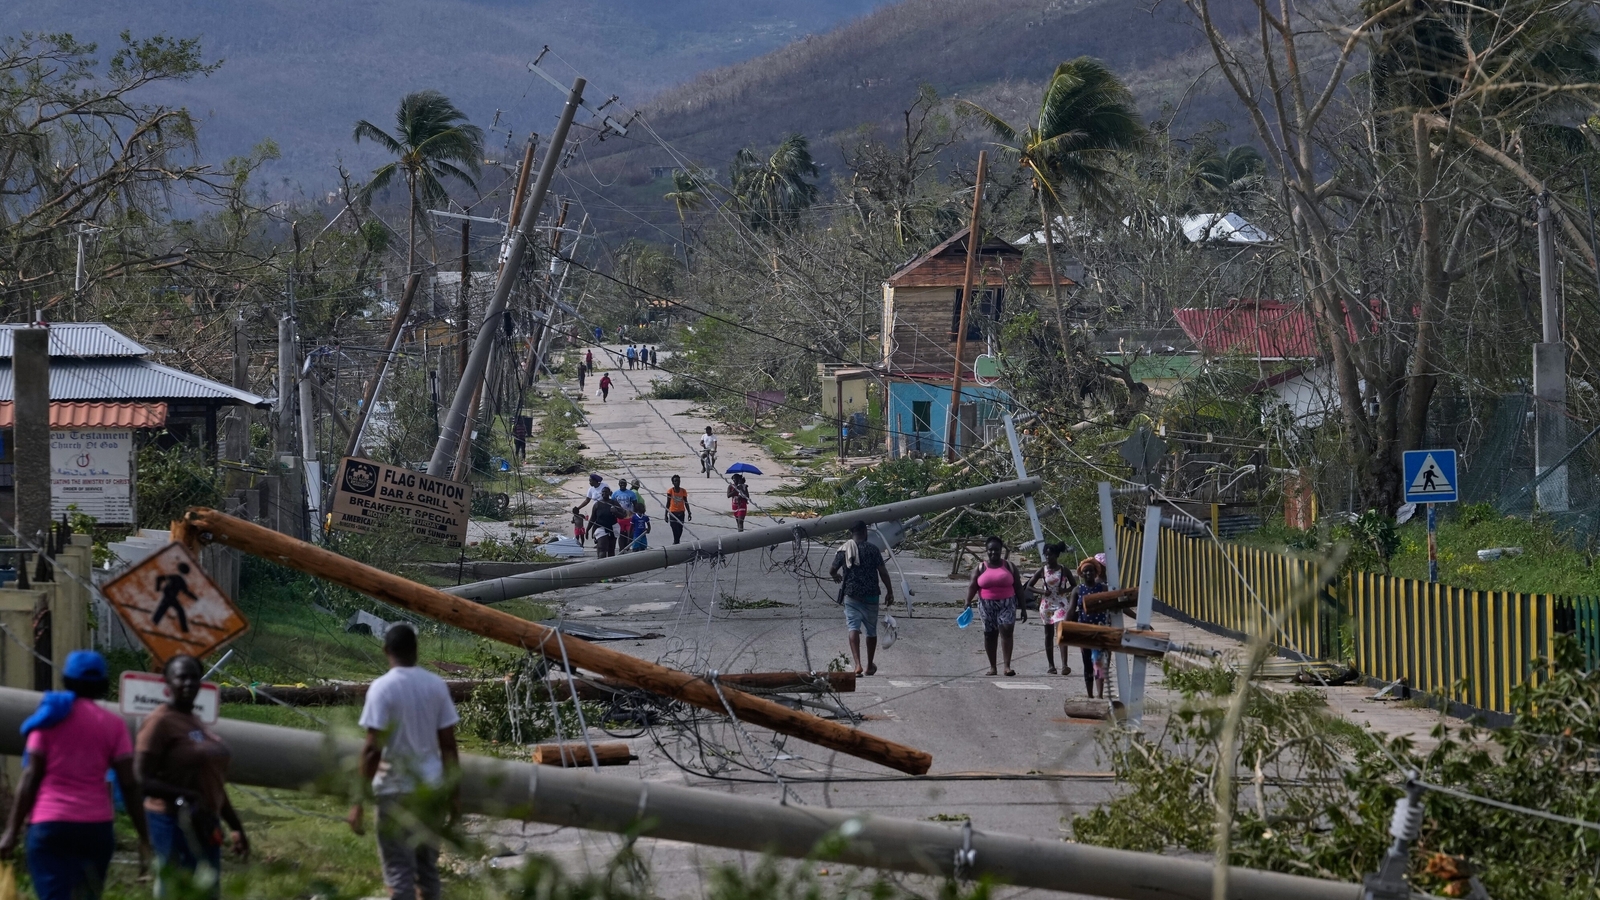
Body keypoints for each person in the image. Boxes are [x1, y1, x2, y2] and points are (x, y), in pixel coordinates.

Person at [0, 650, 149, 900]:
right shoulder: (114, 725)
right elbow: (130, 783)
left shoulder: (48, 718)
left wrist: (11, 832)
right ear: (102, 684)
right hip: (95, 828)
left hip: (50, 824)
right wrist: (145, 836)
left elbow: (31, 776)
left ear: (66, 680)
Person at [348, 624, 460, 900]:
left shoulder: (381, 689)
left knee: (399, 873)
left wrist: (358, 801)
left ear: (386, 650)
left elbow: (373, 749)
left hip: (394, 790)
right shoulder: (436, 686)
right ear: (416, 651)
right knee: (427, 871)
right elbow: (448, 745)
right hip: (429, 790)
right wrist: (455, 796)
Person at [138, 654, 249, 899]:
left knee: (206, 893)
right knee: (177, 891)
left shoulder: (194, 721)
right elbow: (141, 780)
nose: (188, 683)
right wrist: (188, 796)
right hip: (171, 821)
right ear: (167, 683)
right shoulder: (160, 722)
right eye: (181, 677)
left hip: (205, 822)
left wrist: (236, 826)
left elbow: (213, 783)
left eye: (194, 677)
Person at [829, 521, 895, 676]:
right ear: (865, 532)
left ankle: (857, 665)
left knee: (853, 627)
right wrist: (889, 591)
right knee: (871, 631)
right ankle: (869, 665)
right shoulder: (873, 549)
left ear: (852, 533)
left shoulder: (844, 550)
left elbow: (832, 570)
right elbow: (883, 572)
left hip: (852, 595)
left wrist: (836, 576)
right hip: (871, 595)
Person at [964, 536, 1025, 677]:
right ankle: (993, 667)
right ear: (986, 551)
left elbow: (1019, 588)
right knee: (990, 634)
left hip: (1007, 604)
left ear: (1001, 550)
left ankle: (1007, 666)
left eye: (996, 550)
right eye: (990, 550)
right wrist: (967, 601)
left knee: (1007, 630)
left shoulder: (1009, 566)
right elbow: (972, 586)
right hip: (986, 605)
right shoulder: (980, 568)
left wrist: (1022, 608)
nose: (993, 553)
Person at [1026, 543, 1077, 676]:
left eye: (1051, 554)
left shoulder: (1064, 570)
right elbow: (1029, 586)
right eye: (1046, 555)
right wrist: (1041, 591)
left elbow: (1074, 586)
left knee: (1061, 633)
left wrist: (1065, 590)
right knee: (1048, 635)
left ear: (1057, 555)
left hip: (1060, 604)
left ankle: (1065, 665)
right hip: (1047, 605)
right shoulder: (1042, 570)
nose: (1048, 557)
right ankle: (1051, 665)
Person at [1069, 557, 1111, 698]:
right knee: (1087, 663)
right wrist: (1062, 627)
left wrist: (1137, 617)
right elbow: (1070, 611)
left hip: (1099, 631)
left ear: (1096, 572)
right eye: (1085, 571)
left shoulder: (1103, 589)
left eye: (1091, 571)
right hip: (1084, 633)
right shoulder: (1077, 590)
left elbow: (1117, 604)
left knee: (1098, 663)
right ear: (1081, 573)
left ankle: (1099, 695)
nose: (1088, 574)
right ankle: (1090, 695)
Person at [588, 487, 620, 558]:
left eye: (606, 492)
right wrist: (587, 529)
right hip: (600, 528)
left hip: (613, 527)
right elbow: (593, 518)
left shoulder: (614, 503)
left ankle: (611, 567)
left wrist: (616, 512)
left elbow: (623, 515)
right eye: (603, 492)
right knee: (602, 548)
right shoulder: (597, 504)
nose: (604, 493)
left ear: (609, 493)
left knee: (611, 550)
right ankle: (600, 565)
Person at [612, 479, 639, 552]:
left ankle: (627, 547)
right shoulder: (615, 494)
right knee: (621, 535)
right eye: (621, 483)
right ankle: (622, 549)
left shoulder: (631, 493)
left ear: (627, 484)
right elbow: (612, 505)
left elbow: (635, 505)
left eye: (624, 483)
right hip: (619, 518)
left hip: (629, 518)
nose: (622, 485)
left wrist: (636, 515)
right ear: (619, 484)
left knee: (629, 535)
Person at [665, 475, 691, 544]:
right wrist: (665, 515)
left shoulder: (683, 491)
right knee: (674, 529)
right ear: (673, 482)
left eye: (678, 481)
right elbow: (668, 503)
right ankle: (676, 542)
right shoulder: (670, 491)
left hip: (681, 513)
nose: (677, 482)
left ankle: (677, 541)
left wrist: (689, 512)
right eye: (675, 481)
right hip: (673, 513)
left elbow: (686, 502)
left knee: (680, 529)